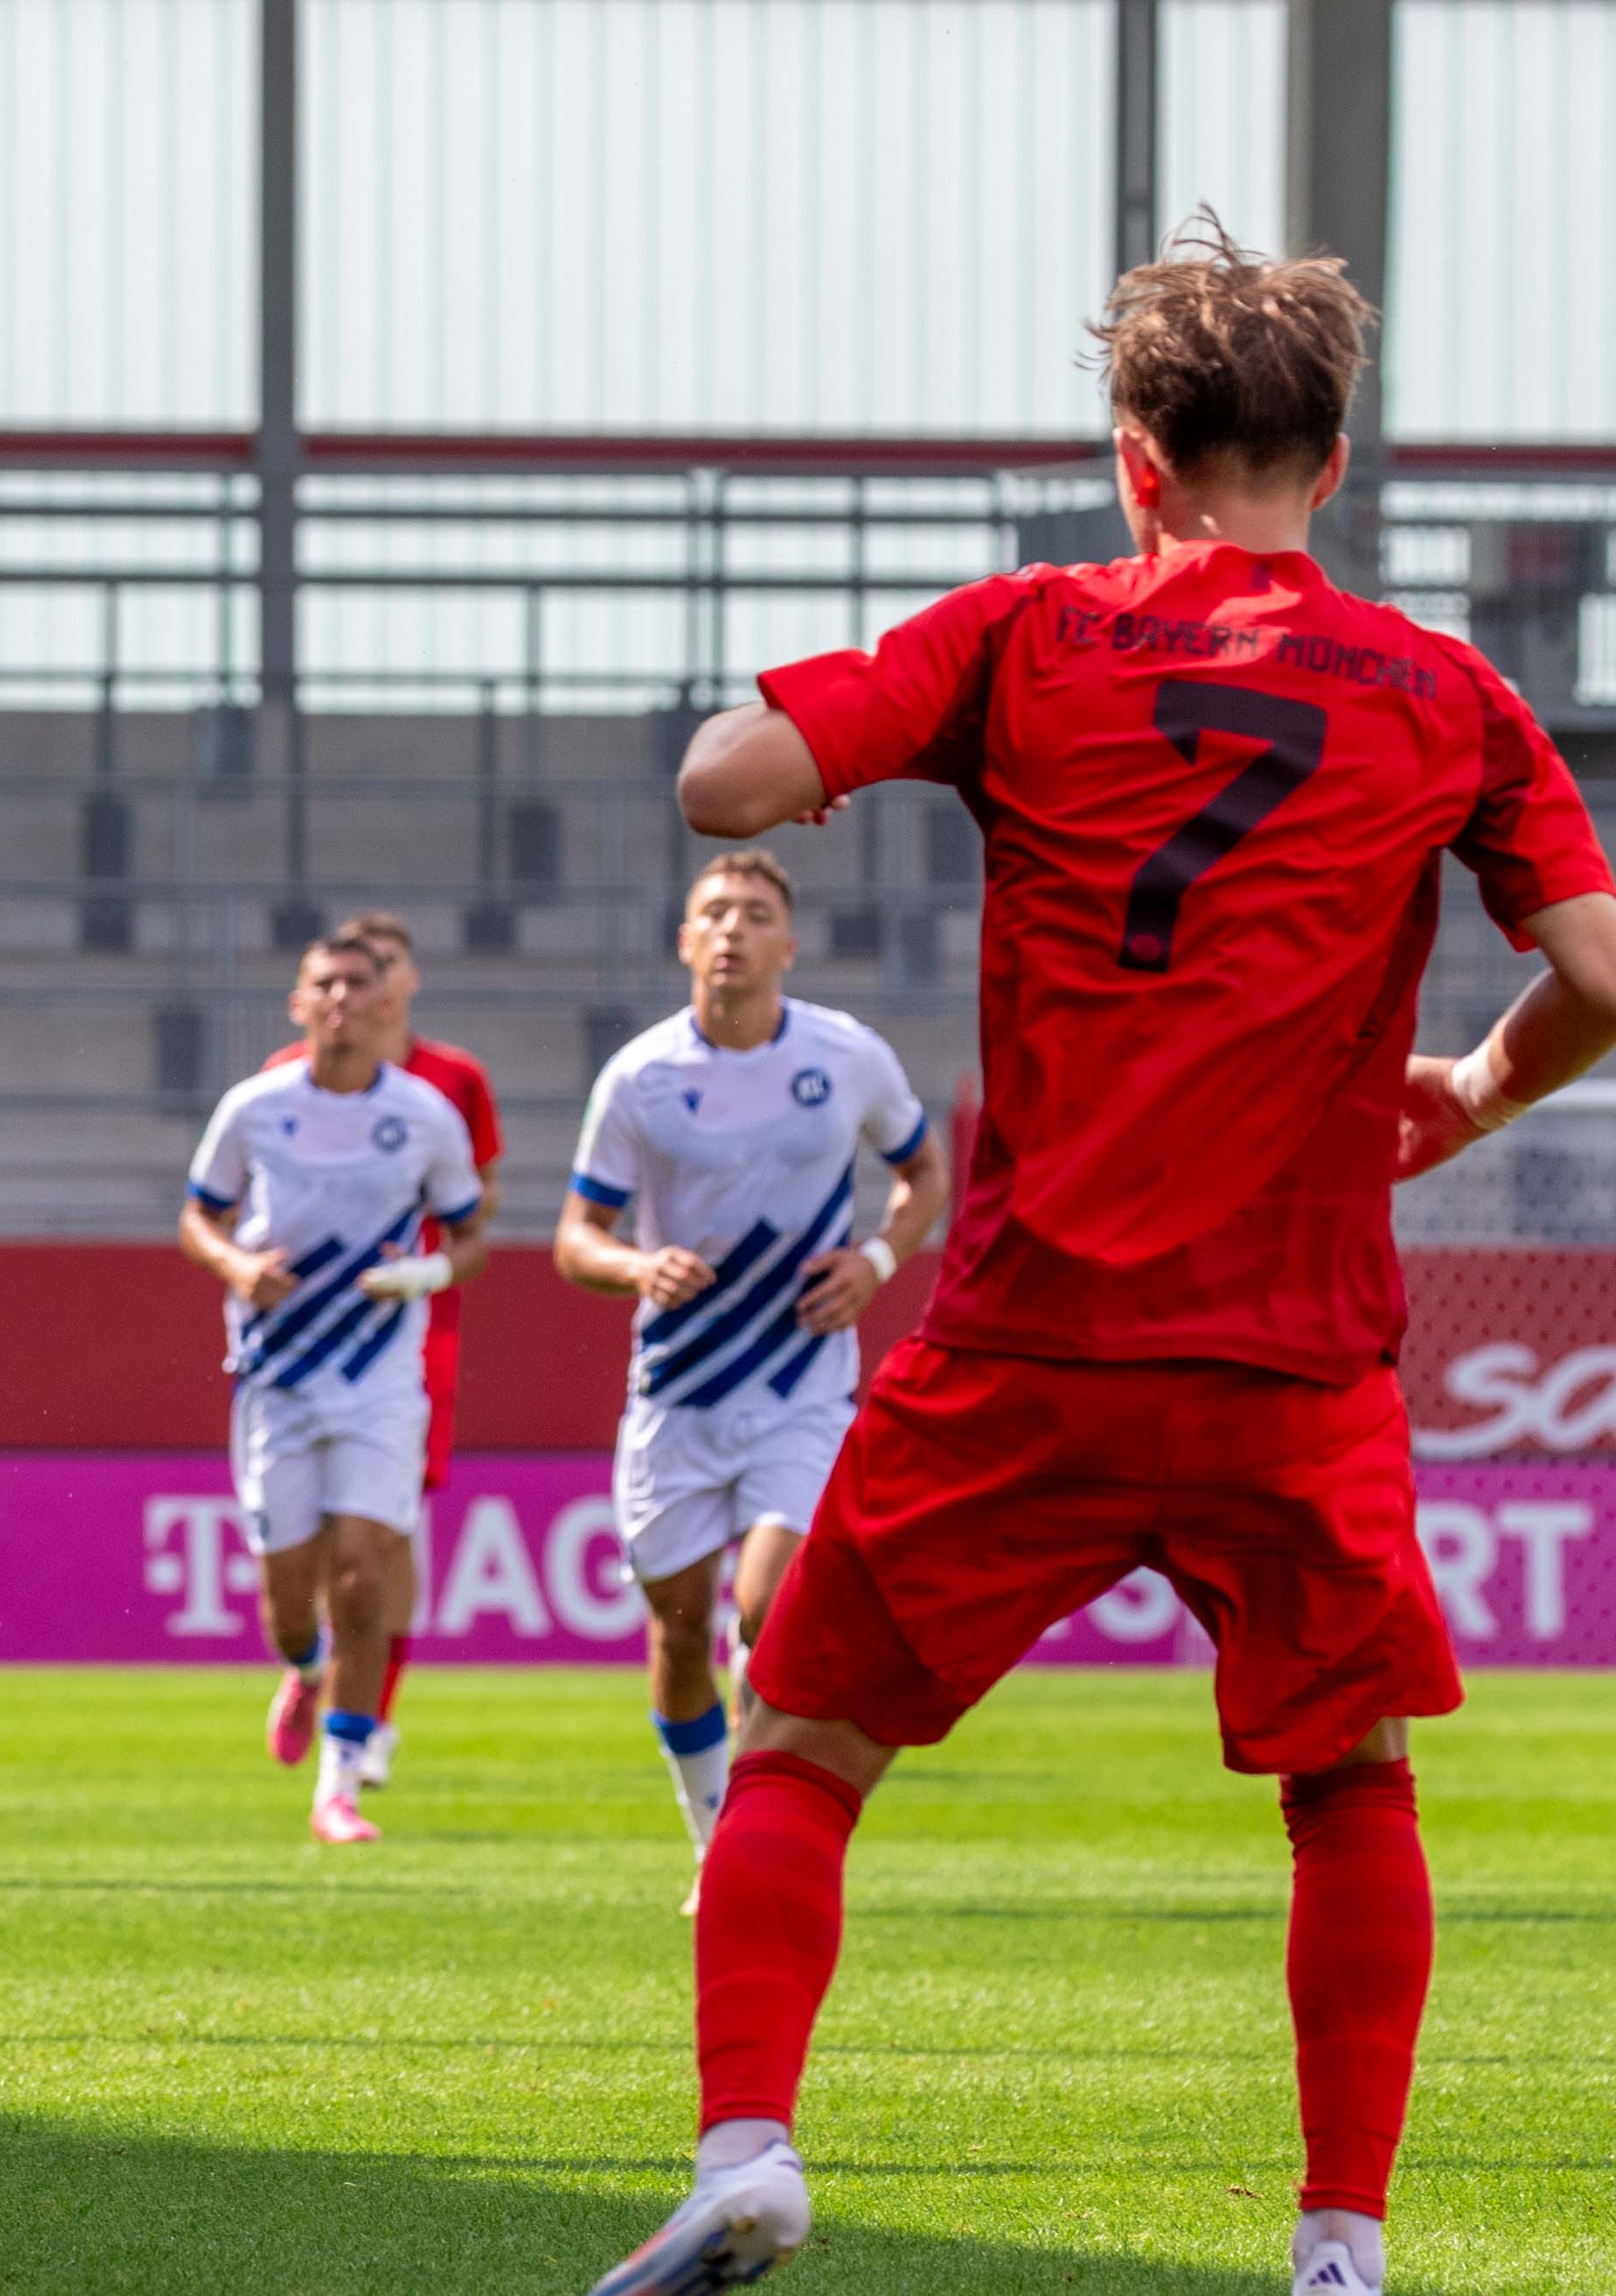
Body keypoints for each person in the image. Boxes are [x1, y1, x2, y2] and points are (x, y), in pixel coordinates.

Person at [589, 228, 1616, 2296]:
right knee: (1349, 1781)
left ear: (1134, 455)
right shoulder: (1447, 692)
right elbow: (1597, 969)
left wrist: (879, 718)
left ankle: (750, 2147)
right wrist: (1474, 1095)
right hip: (1297, 1361)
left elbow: (726, 780)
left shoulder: (1028, 633)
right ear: (1333, 461)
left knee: (796, 1745)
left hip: (1034, 1338)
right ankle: (1339, 2246)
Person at [558, 849, 946, 1910]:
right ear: (685, 940)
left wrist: (872, 1261)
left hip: (799, 1390)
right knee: (678, 1629)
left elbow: (923, 1172)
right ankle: (708, 1831)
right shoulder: (638, 1076)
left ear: (786, 943)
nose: (730, 928)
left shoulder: (843, 1054)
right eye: (712, 912)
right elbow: (575, 1236)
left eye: (754, 913)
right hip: (676, 1397)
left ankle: (748, 1839)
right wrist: (638, 1264)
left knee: (766, 1607)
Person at [178, 933, 488, 1844]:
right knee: (288, 1599)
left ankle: (338, 1785)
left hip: (379, 1380)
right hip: (276, 1375)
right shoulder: (256, 1105)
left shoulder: (426, 1112)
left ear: (387, 995)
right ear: (297, 1002)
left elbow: (469, 1233)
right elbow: (200, 1213)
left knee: (361, 1574)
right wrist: (236, 1263)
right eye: (326, 984)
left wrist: (423, 1277)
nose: (343, 999)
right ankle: (302, 1668)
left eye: (359, 982)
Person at [263, 911, 503, 1787]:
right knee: (312, 1551)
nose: (372, 986)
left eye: (389, 969)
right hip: (297, 1350)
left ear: (404, 983)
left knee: (382, 1542)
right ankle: (312, 1664)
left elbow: (478, 1203)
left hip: (408, 1336)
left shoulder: (450, 1084)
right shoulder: (279, 1085)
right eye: (358, 972)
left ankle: (367, 1721)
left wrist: (426, 1270)